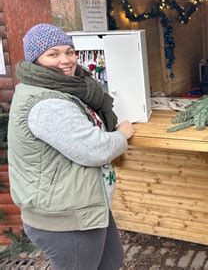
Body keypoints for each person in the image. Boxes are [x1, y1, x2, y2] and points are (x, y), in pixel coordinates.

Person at [7, 24, 134, 270]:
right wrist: (122, 135)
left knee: (110, 262)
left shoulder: (60, 89)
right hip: (65, 219)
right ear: (35, 60)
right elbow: (93, 148)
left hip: (85, 207)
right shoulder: (46, 103)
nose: (66, 60)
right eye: (53, 54)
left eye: (70, 51)